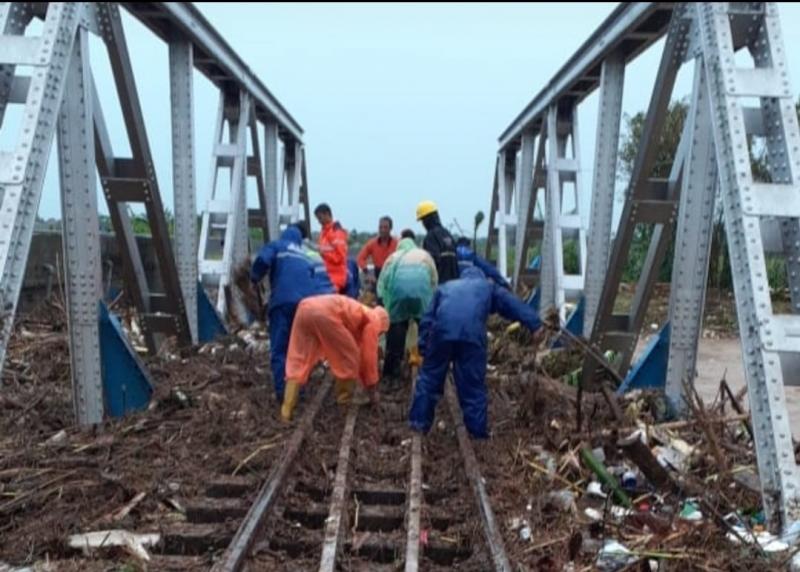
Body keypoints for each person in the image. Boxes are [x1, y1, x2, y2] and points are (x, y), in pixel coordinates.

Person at [408, 267, 545, 439]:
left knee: (429, 379)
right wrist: (535, 324)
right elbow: (511, 304)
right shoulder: (487, 287)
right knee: (472, 386)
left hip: (441, 332)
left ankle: (418, 425)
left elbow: (428, 318)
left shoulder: (445, 287)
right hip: (471, 335)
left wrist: (423, 347)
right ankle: (477, 433)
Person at [250, 225, 334, 402]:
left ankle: (283, 393)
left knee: (280, 348)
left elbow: (262, 261)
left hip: (282, 303)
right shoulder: (306, 255)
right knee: (298, 350)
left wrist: (254, 277)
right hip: (305, 307)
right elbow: (319, 282)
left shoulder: (277, 246)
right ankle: (299, 390)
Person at [280, 295, 390, 421]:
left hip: (304, 308)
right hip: (325, 314)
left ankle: (286, 411)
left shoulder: (361, 311)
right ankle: (344, 402)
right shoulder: (374, 320)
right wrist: (372, 387)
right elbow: (367, 357)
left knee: (298, 359)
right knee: (348, 358)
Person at [377, 235, 438, 387]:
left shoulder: (392, 257)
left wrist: (385, 304)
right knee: (426, 332)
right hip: (422, 295)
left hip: (398, 295)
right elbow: (434, 281)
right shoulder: (425, 255)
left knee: (396, 334)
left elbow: (381, 284)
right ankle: (431, 369)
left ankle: (392, 374)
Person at [416, 200, 459, 284]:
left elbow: (430, 262)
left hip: (439, 286)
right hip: (454, 284)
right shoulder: (447, 234)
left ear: (427, 219)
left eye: (423, 220)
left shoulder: (431, 237)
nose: (423, 224)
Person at [314, 203, 349, 293]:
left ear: (327, 214)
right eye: (318, 219)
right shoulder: (323, 233)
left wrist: (323, 254)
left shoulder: (336, 232)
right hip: (327, 277)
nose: (319, 221)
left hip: (336, 278)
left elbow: (340, 257)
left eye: (320, 218)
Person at [356, 216, 398, 283]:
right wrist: (368, 273)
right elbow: (360, 258)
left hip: (393, 277)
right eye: (380, 227)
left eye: (385, 227)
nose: (382, 230)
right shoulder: (372, 243)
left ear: (391, 228)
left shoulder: (397, 244)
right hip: (377, 276)